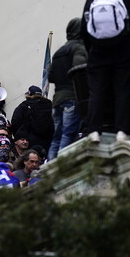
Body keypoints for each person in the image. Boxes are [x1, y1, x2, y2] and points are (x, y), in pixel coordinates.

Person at [80, 0, 130, 143]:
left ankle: (94, 131)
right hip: (123, 52)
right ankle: (122, 131)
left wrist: (91, 49)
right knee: (123, 90)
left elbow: (83, 28)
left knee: (96, 92)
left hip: (98, 53)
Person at [48, 18, 87, 159]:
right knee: (68, 134)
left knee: (57, 137)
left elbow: (50, 76)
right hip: (71, 97)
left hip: (57, 99)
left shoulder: (58, 52)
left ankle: (51, 166)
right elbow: (80, 70)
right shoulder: (79, 48)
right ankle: (60, 166)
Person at [10, 86, 54, 151]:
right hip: (49, 140)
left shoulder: (24, 106)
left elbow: (15, 122)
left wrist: (20, 137)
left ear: (29, 94)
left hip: (31, 141)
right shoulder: (49, 104)